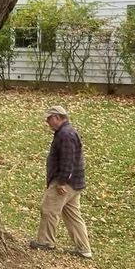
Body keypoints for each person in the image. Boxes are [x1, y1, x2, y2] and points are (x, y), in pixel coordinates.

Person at [29, 105, 92, 258]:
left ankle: (45, 242)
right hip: (76, 182)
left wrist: (61, 182)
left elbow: (67, 161)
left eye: (49, 118)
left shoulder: (65, 135)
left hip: (65, 183)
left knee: (48, 209)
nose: (47, 122)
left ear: (57, 117)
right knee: (72, 215)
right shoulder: (66, 132)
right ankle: (84, 250)